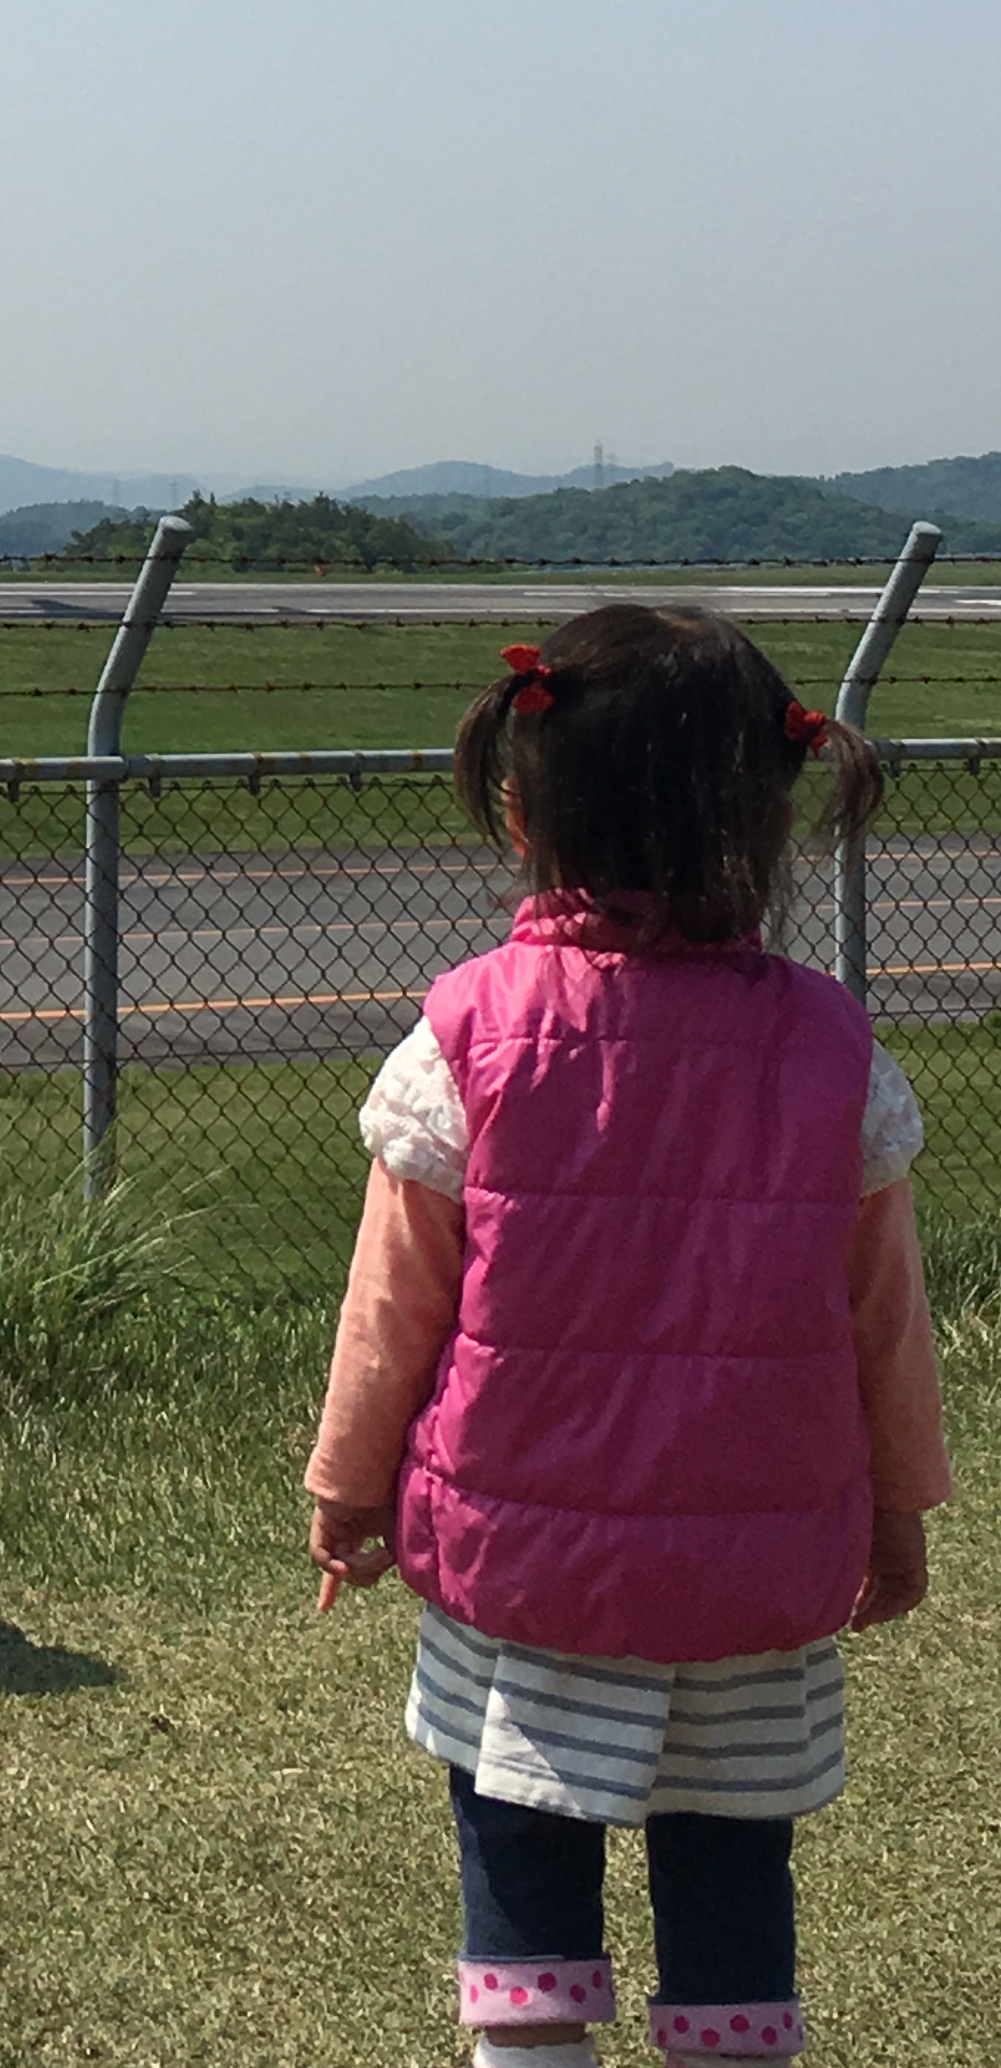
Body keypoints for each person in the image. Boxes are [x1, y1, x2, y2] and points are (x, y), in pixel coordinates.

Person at [307, 605, 951, 2066]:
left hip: (525, 1570)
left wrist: (346, 1485)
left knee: (522, 1837)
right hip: (754, 1576)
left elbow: (391, 1308)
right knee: (731, 1854)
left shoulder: (467, 1038)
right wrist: (901, 1507)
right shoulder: (835, 1051)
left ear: (521, 814)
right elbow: (885, 1320)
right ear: (769, 816)